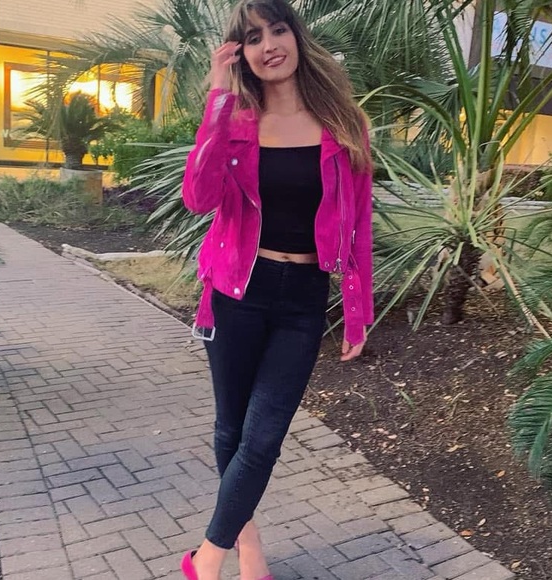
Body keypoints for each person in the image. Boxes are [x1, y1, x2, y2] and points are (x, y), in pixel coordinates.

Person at [180, 1, 373, 578]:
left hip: (304, 296)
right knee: (232, 430)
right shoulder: (236, 121)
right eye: (253, 37)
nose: (269, 45)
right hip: (238, 289)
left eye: (278, 30)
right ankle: (248, 551)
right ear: (240, 52)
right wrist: (217, 102)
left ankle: (205, 558)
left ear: (296, 36)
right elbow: (199, 198)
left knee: (262, 438)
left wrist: (358, 311)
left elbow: (360, 223)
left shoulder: (344, 124)